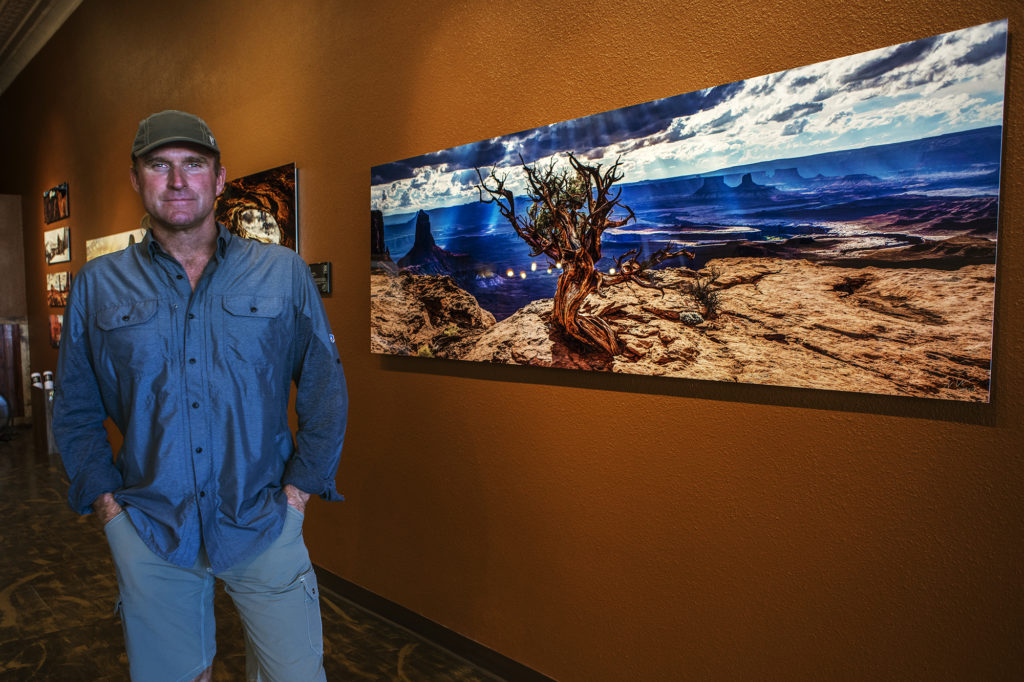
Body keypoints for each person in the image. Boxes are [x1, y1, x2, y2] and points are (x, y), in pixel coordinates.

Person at [53, 110, 348, 681]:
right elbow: (76, 407)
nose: (178, 180)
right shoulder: (97, 284)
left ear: (219, 179)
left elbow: (324, 388)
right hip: (150, 527)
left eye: (194, 164)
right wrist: (108, 508)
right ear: (136, 179)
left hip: (264, 521)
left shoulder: (281, 273)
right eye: (159, 165)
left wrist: (299, 493)